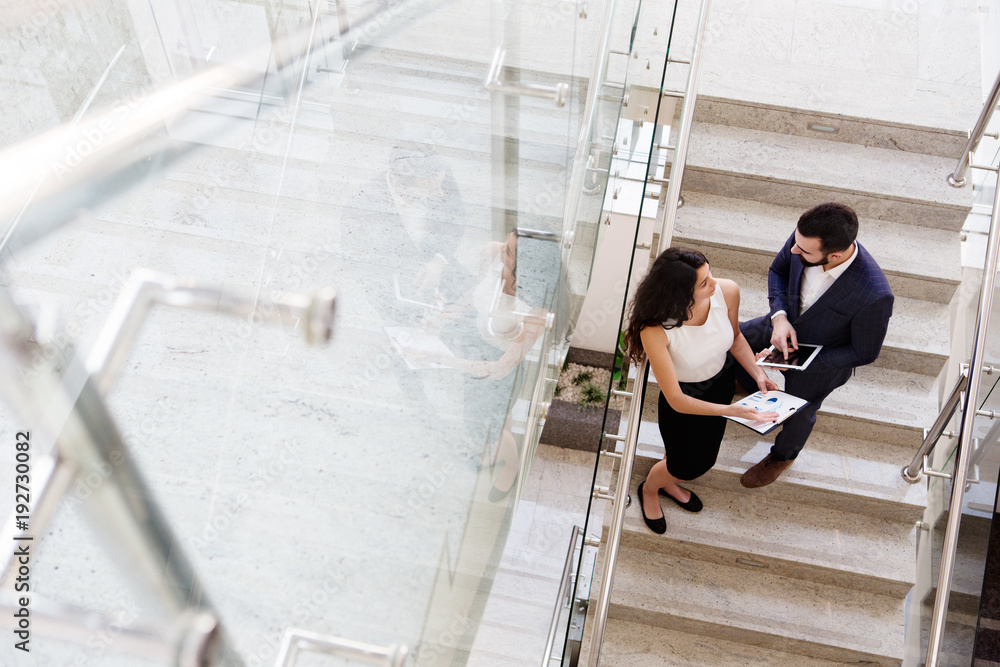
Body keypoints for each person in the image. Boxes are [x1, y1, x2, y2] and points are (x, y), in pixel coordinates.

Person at [735, 202, 893, 488]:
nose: (795, 251)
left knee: (798, 416)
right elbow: (778, 271)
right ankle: (749, 382)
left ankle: (782, 457)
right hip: (779, 326)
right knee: (734, 341)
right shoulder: (803, 239)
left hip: (822, 361)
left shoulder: (874, 294)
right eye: (795, 244)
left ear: (835, 254)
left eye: (804, 251)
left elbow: (865, 352)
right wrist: (780, 317)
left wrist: (799, 361)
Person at [624, 248, 778, 534]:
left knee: (696, 455)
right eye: (704, 282)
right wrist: (730, 410)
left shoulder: (728, 291)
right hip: (683, 399)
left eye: (710, 274)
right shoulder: (655, 329)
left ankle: (668, 477)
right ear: (680, 292)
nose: (715, 283)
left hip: (719, 385)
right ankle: (651, 487)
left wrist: (758, 374)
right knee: (690, 464)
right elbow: (675, 398)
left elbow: (735, 338)